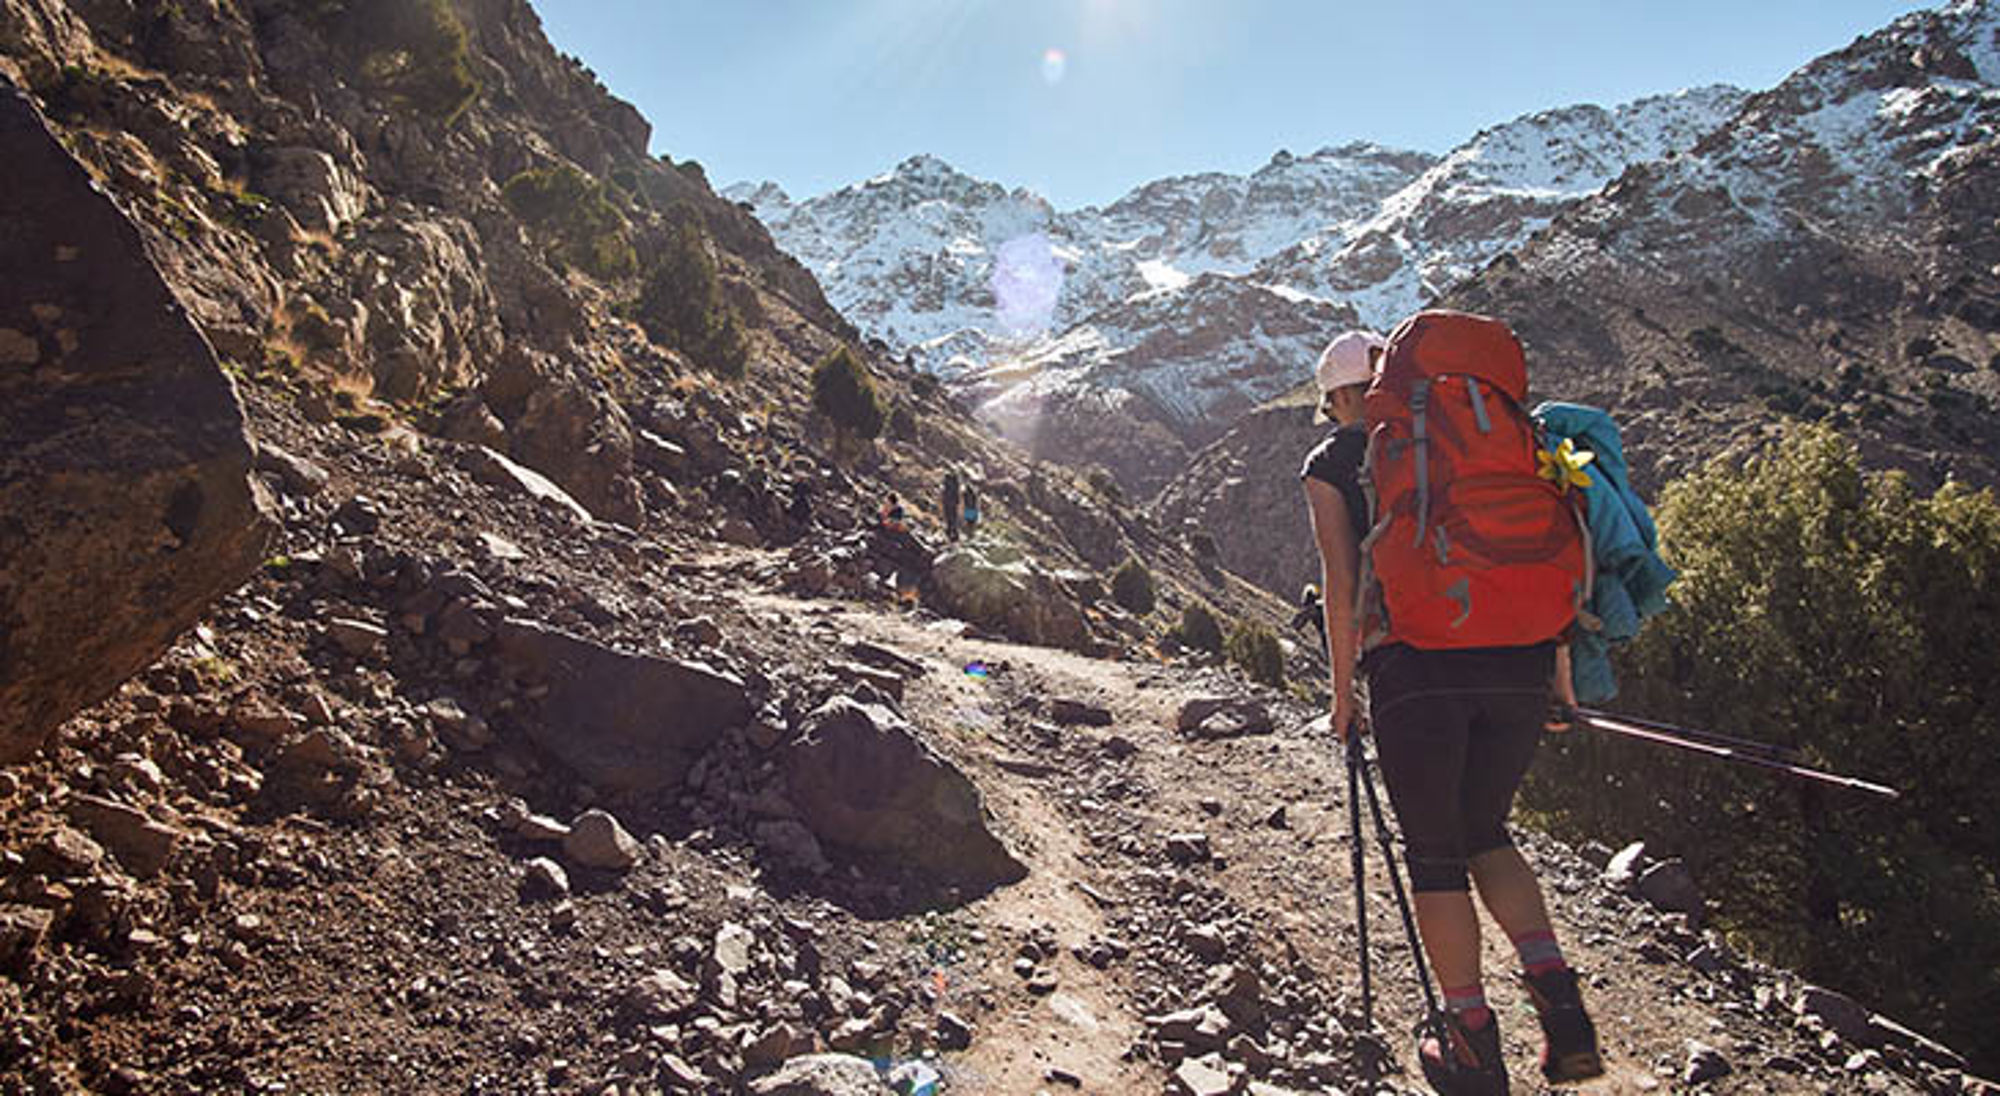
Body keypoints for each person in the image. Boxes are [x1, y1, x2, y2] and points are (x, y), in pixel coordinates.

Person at [1301, 327, 1600, 1095]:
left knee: (1436, 856)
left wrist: (1342, 697)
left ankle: (1470, 1039)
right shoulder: (1487, 435)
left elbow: (1342, 586)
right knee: (1487, 832)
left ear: (1338, 395)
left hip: (1417, 668)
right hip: (1523, 661)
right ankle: (1559, 999)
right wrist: (1558, 681)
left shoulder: (1337, 459)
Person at [942, 470, 962, 542]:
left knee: (950, 519)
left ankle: (952, 534)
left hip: (949, 503)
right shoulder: (955, 485)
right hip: (951, 503)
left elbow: (946, 494)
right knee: (952, 519)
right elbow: (957, 496)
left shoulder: (949, 485)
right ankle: (953, 534)